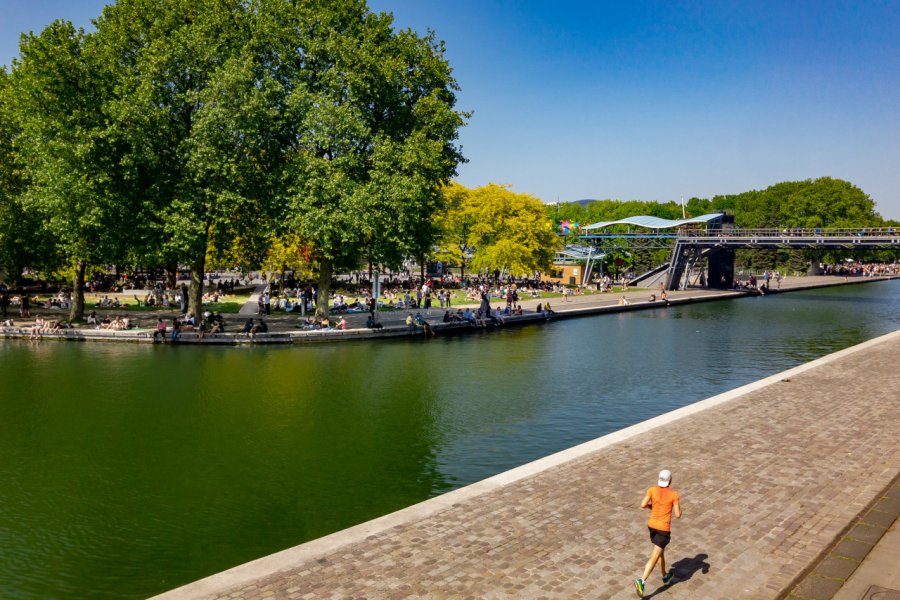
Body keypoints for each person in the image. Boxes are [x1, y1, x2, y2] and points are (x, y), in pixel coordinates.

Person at [634, 469, 681, 598]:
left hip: (652, 526)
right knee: (654, 557)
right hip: (663, 529)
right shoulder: (674, 495)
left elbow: (643, 504)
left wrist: (652, 507)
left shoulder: (652, 490)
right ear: (670, 480)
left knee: (660, 553)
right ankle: (641, 581)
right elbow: (677, 515)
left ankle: (665, 576)